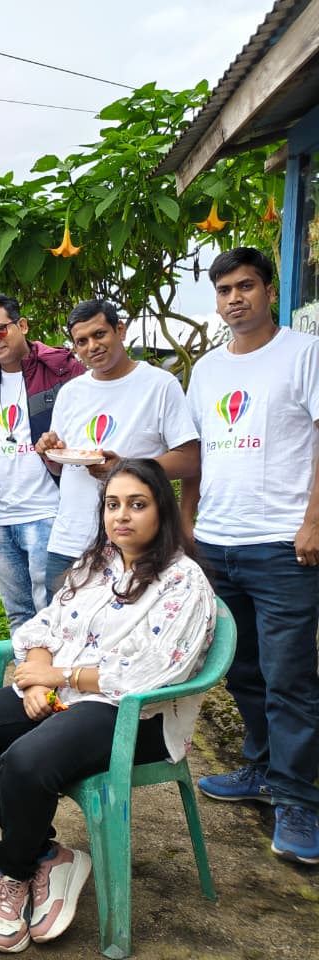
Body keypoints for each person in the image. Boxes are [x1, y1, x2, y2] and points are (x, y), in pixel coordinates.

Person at [0, 458, 216, 953]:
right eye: (112, 505)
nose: (121, 516)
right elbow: (44, 625)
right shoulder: (97, 565)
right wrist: (40, 678)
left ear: (162, 511)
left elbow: (150, 674)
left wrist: (58, 675)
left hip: (136, 717)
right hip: (66, 697)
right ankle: (47, 854)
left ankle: (15, 870)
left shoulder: (183, 581)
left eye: (137, 504)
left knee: (25, 761)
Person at [183, 246, 319, 865]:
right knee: (241, 670)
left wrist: (313, 521)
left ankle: (298, 801)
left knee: (291, 677)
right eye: (223, 290)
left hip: (283, 544)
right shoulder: (208, 371)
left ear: (269, 290)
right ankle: (260, 770)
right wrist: (187, 525)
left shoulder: (304, 353)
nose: (234, 298)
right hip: (218, 541)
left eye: (245, 286)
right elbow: (198, 452)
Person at [36, 299, 199, 588]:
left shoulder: (159, 385)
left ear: (120, 330)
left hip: (134, 544)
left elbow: (190, 459)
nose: (92, 346)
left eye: (100, 334)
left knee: (133, 632)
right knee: (60, 630)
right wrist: (50, 453)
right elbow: (62, 469)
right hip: (69, 542)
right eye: (81, 341)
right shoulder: (71, 392)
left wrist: (124, 467)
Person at [0, 295, 83, 630]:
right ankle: (32, 681)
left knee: (55, 609)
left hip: (48, 510)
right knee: (17, 614)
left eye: (0, 330)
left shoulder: (61, 369)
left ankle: (59, 680)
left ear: (22, 325)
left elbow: (88, 425)